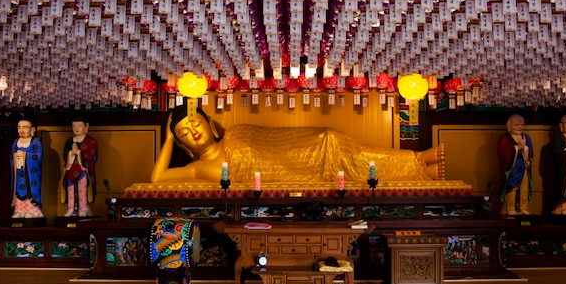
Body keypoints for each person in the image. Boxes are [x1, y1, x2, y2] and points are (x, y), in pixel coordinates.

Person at [151, 104, 446, 185]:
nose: (194, 131)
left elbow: (271, 138)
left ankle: (418, 159)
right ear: (185, 146)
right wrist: (166, 139)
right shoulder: (198, 168)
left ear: (211, 125)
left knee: (351, 152)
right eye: (185, 133)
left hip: (306, 145)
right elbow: (157, 178)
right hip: (299, 172)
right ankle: (419, 167)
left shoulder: (234, 133)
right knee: (356, 166)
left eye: (195, 123)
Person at [61, 116, 98, 217]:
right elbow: (65, 156)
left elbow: (92, 156)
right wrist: (70, 153)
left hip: (83, 170)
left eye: (79, 126)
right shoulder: (69, 142)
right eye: (74, 126)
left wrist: (78, 152)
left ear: (86, 127)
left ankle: (83, 208)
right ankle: (70, 208)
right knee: (70, 190)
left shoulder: (91, 141)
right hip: (70, 170)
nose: (76, 128)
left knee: (83, 190)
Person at [497, 114, 533, 216]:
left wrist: (525, 149)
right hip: (511, 169)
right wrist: (516, 148)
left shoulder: (526, 138)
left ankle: (523, 206)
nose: (519, 127)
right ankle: (510, 207)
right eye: (516, 125)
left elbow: (531, 153)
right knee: (511, 188)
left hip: (524, 168)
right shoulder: (504, 138)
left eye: (521, 125)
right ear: (509, 125)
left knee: (524, 188)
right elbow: (501, 154)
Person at [10, 118, 44, 218]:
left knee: (31, 189)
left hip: (30, 173)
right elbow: (11, 156)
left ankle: (32, 211)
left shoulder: (35, 142)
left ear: (32, 130)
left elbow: (38, 156)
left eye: (25, 127)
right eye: (19, 127)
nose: (22, 130)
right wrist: (15, 157)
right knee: (19, 190)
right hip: (19, 171)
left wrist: (25, 155)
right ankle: (19, 211)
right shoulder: (16, 142)